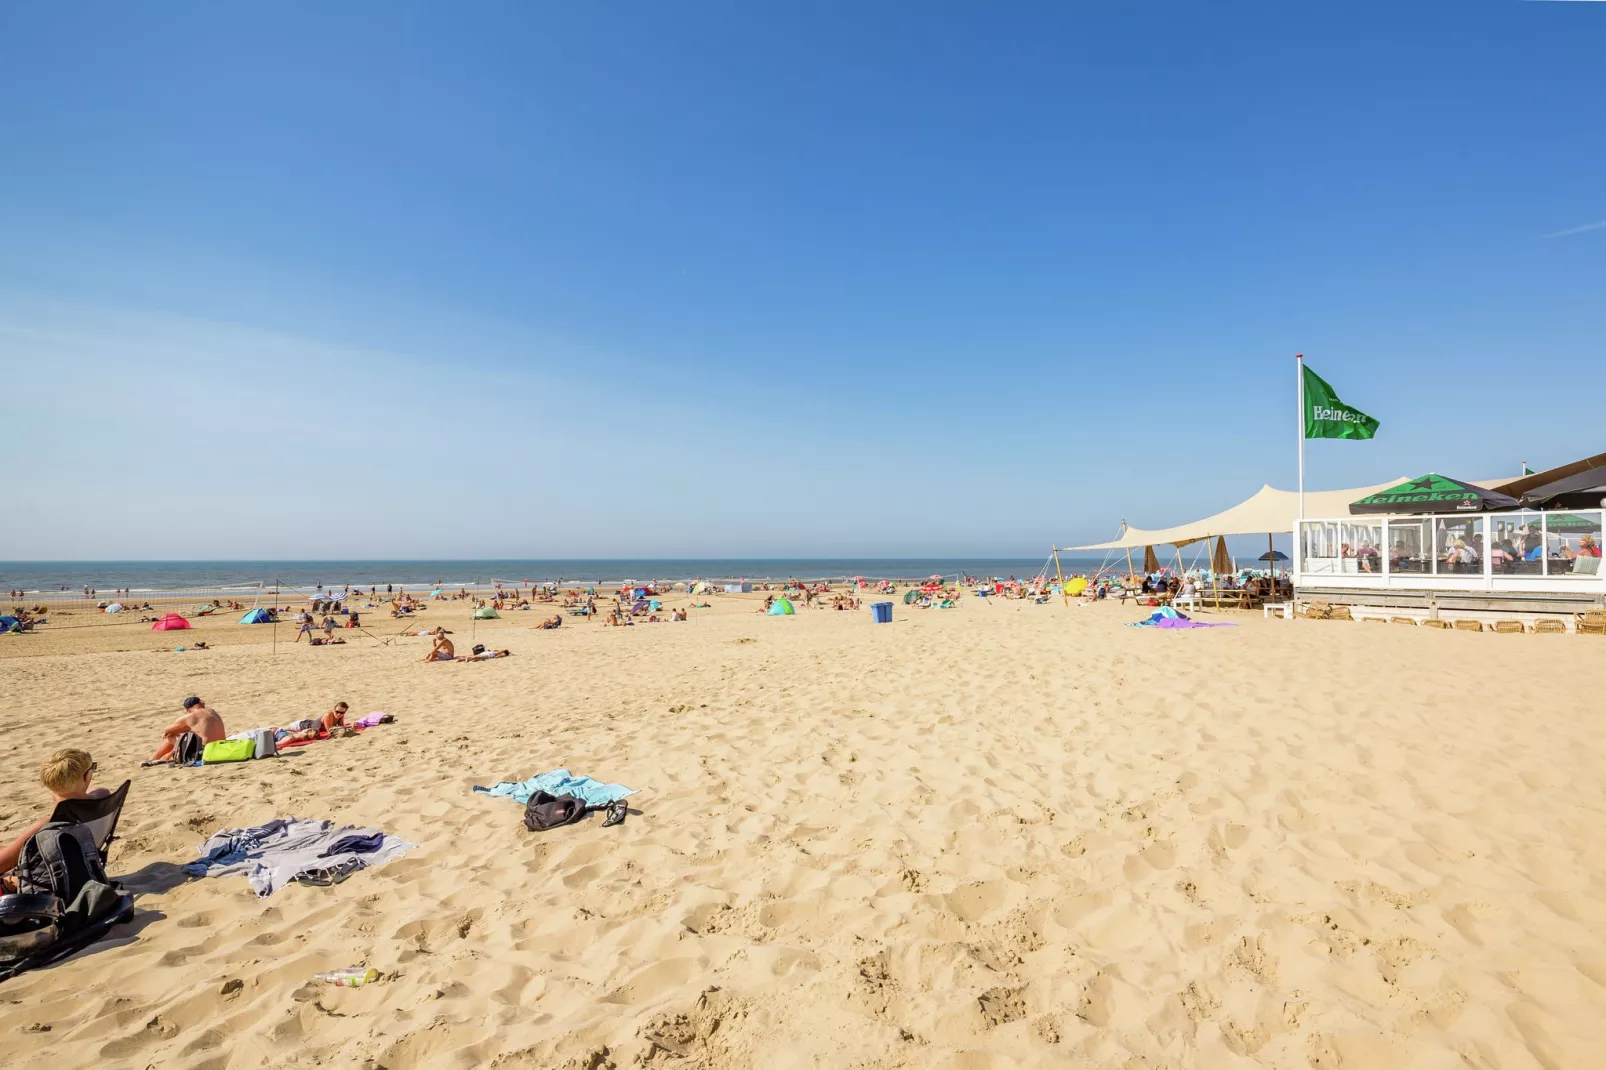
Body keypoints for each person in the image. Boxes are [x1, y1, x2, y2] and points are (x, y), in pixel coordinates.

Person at [0, 749, 112, 891]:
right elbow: (99, 791)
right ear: (86, 777)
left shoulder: (48, 825)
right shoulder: (103, 800)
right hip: (82, 863)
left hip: (46, 882)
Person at [150, 697, 227, 761]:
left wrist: (176, 732)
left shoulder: (191, 716)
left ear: (188, 710)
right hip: (221, 747)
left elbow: (166, 730)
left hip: (203, 753)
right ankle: (165, 757)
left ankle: (154, 759)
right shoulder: (211, 711)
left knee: (170, 736)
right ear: (201, 703)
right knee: (186, 736)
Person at [277, 702, 349, 744]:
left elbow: (341, 727)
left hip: (308, 725)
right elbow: (330, 731)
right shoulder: (328, 715)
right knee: (281, 732)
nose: (339, 714)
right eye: (337, 711)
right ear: (334, 709)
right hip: (301, 726)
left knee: (284, 734)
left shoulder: (340, 716)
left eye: (342, 712)